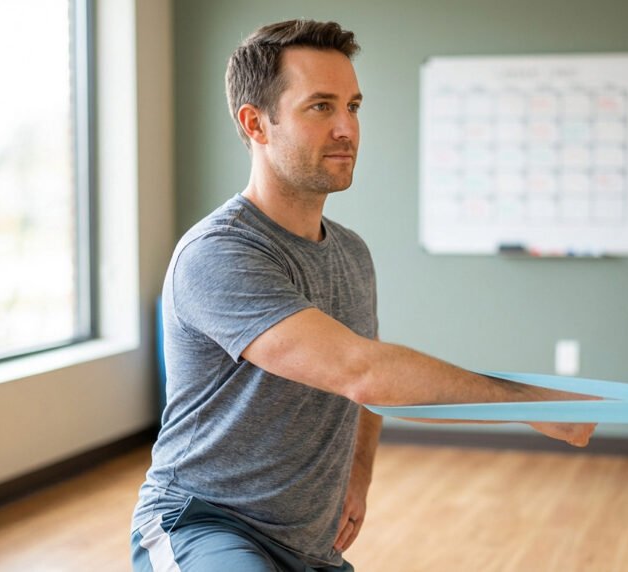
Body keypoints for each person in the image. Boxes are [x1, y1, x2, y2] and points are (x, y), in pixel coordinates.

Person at [130, 19, 596, 572]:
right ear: (256, 123)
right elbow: (362, 370)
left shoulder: (350, 253)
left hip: (310, 544)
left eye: (353, 105)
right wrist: (532, 405)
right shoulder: (218, 254)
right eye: (320, 107)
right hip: (206, 523)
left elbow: (368, 382)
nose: (347, 128)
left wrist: (359, 470)